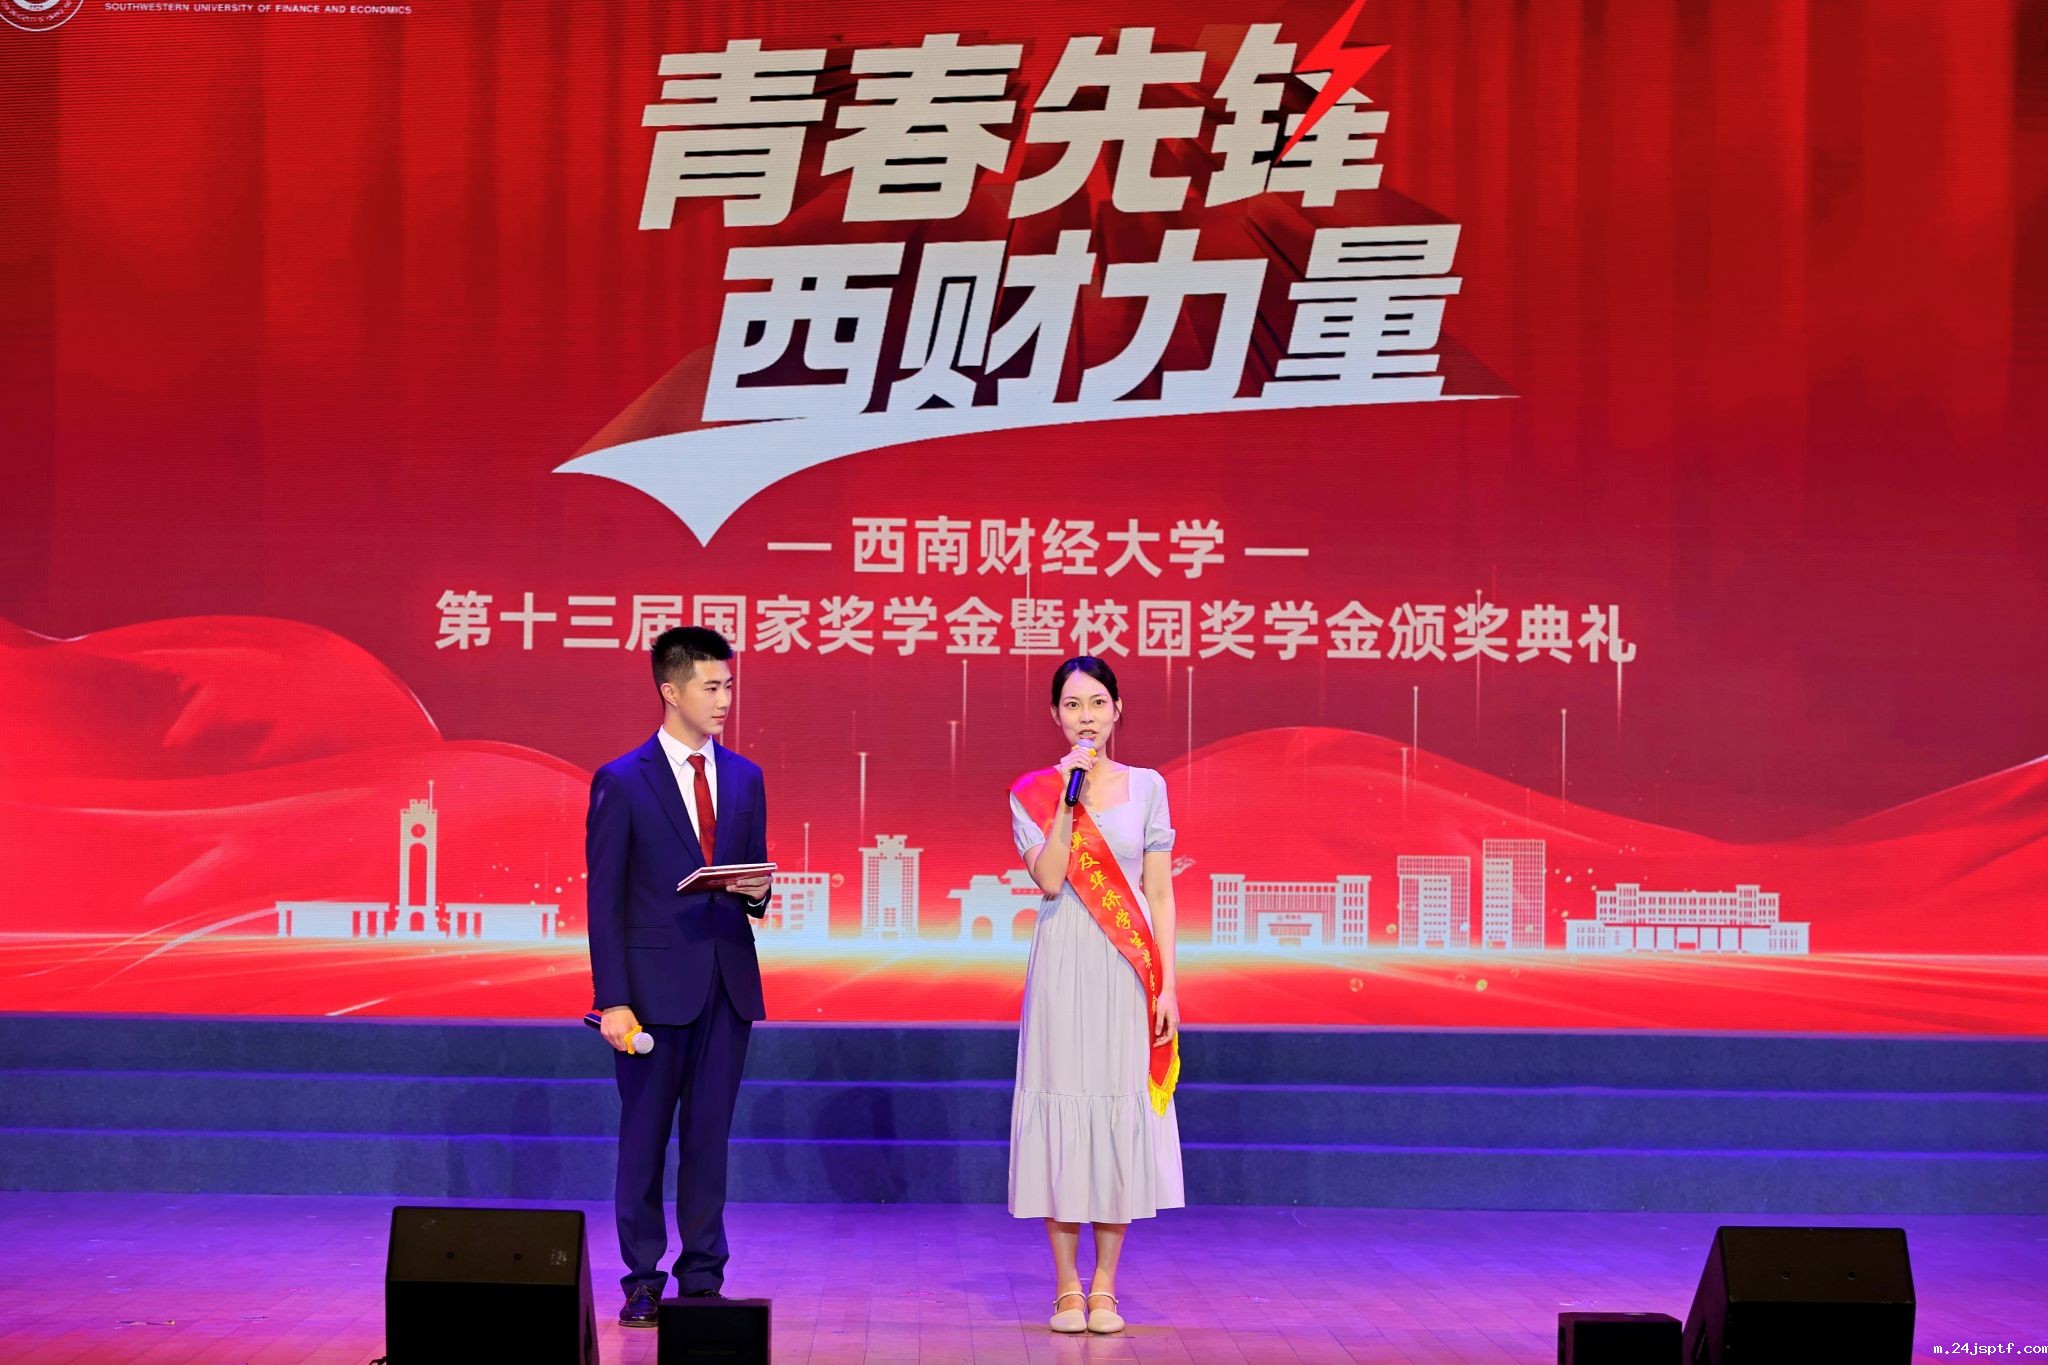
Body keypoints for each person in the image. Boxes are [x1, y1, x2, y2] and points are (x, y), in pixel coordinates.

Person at [585, 626, 773, 1327]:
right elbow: (604, 900)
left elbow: (753, 879)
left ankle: (702, 1277)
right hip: (650, 994)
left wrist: (757, 891)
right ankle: (642, 1277)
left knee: (708, 1140)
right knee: (643, 1139)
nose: (724, 700)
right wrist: (613, 1000)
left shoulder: (746, 776)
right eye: (710, 686)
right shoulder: (622, 779)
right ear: (671, 689)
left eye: (729, 686)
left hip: (727, 983)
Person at [1007, 655, 1184, 1335]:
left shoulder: (1148, 786)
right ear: (1056, 715)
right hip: (1063, 963)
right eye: (1073, 704)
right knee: (1062, 1104)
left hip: (1126, 968)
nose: (1087, 716)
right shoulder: (1031, 792)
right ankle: (1065, 1287)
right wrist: (1065, 801)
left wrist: (1168, 983)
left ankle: (1105, 1285)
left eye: (1098, 703)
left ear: (1117, 710)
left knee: (1115, 1107)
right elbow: (1052, 878)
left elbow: (1159, 893)